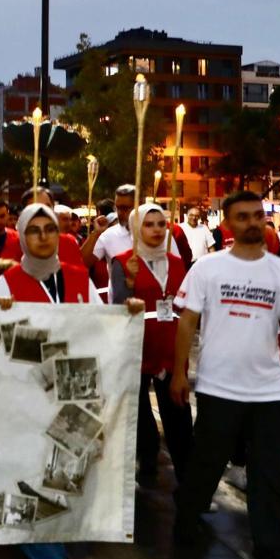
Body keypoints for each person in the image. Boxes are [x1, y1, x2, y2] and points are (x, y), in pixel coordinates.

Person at [170, 191, 280, 559]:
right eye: (243, 217)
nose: (253, 222)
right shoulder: (208, 268)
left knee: (270, 470)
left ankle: (270, 545)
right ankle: (187, 522)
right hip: (218, 385)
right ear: (227, 224)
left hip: (270, 389)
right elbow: (187, 321)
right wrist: (179, 372)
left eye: (258, 215)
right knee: (207, 463)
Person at [0, 203, 140, 559]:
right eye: (34, 230)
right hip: (28, 397)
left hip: (76, 391)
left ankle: (49, 541)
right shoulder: (8, 282)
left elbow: (99, 324)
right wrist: (3, 314)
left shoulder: (76, 276)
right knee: (32, 472)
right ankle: (46, 553)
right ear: (22, 236)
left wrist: (127, 311)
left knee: (64, 477)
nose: (43, 237)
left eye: (50, 229)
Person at [110, 205, 192, 486]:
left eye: (161, 224)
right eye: (149, 224)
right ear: (136, 229)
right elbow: (118, 306)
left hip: (170, 345)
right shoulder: (124, 262)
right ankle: (147, 461)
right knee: (139, 411)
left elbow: (186, 304)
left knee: (178, 412)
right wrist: (130, 283)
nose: (157, 229)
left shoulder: (177, 263)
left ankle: (187, 480)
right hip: (137, 345)